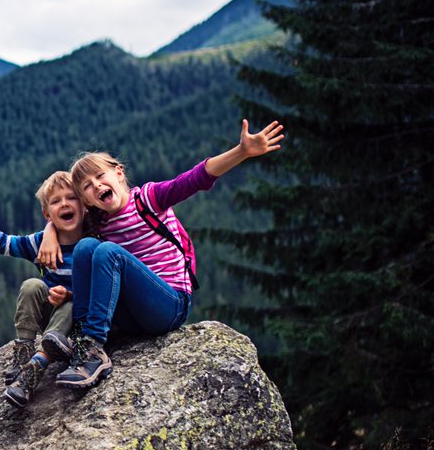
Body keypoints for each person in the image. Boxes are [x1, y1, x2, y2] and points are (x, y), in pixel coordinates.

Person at [38, 119, 285, 390]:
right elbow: (65, 220)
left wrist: (242, 151)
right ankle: (82, 340)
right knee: (86, 247)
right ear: (86, 201)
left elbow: (195, 178)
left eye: (100, 177)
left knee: (108, 252)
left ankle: (94, 350)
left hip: (169, 305)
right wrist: (50, 229)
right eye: (86, 186)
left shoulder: (148, 199)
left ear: (119, 173)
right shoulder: (98, 222)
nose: (96, 186)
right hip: (134, 316)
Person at [0, 170, 85, 408]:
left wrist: (70, 295)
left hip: (79, 325)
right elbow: (3, 243)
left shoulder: (95, 240)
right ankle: (23, 353)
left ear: (84, 204)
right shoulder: (40, 242)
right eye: (56, 201)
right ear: (46, 213)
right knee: (32, 285)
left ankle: (36, 368)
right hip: (50, 327)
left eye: (71, 198)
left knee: (69, 303)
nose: (64, 204)